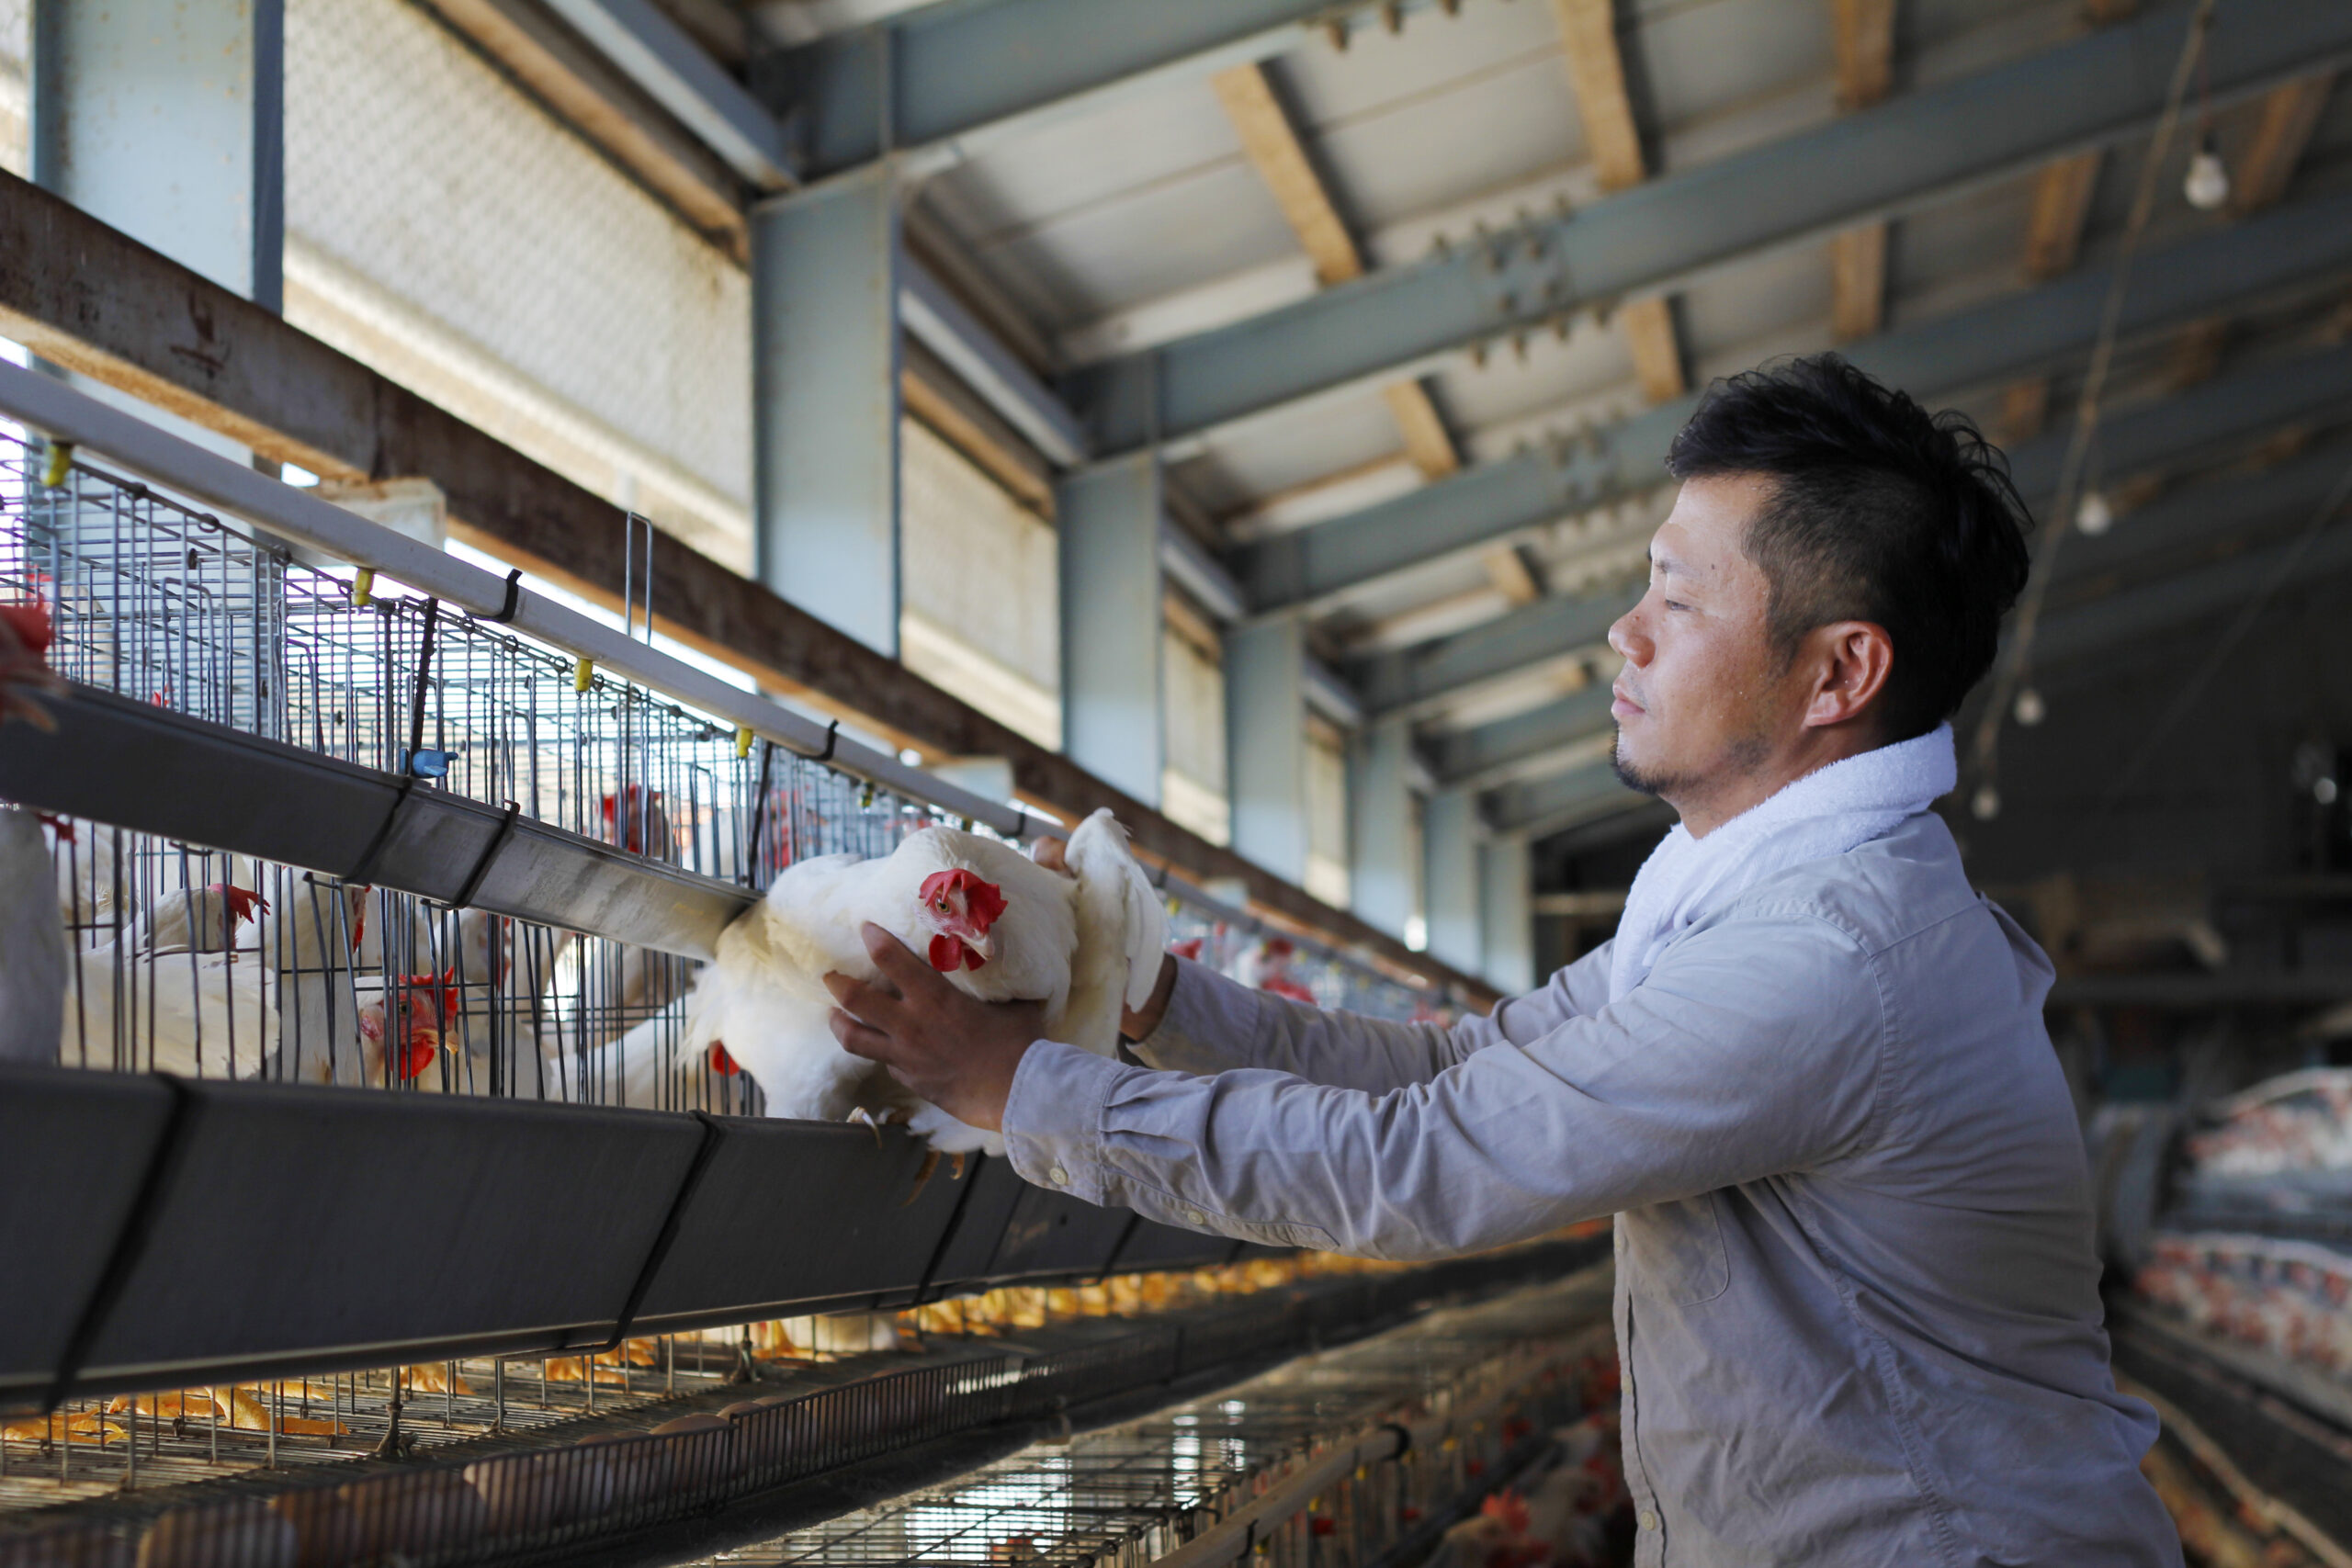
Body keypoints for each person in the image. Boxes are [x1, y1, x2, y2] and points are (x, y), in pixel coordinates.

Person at [825, 355, 2182, 1566]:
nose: (1625, 631)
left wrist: (1027, 1093)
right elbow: (1463, 1068)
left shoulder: (1830, 956)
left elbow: (1436, 1164)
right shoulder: (1741, 900)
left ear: (1840, 675)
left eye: (1679, 599)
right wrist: (1155, 1002)